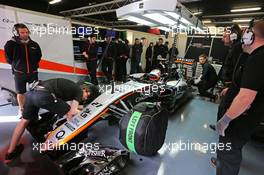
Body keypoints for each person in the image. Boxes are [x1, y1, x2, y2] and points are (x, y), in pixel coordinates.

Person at [213, 19, 264, 175]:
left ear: (251, 35)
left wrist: (225, 120)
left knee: (229, 151)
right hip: (247, 117)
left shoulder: (258, 58)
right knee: (230, 150)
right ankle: (222, 162)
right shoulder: (256, 56)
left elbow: (245, 98)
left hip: (239, 119)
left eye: (248, 32)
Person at [4, 78, 91, 164]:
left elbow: (72, 106)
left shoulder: (72, 88)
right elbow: (71, 113)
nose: (87, 97)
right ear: (83, 89)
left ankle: (10, 153)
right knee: (70, 117)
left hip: (32, 93)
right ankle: (44, 148)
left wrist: (77, 110)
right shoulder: (79, 92)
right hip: (44, 95)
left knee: (24, 121)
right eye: (87, 94)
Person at [210, 24, 243, 131]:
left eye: (224, 36)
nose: (221, 39)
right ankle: (220, 126)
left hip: (231, 86)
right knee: (222, 107)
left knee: (225, 107)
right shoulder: (232, 48)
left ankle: (223, 130)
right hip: (227, 84)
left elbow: (239, 70)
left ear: (233, 36)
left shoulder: (237, 48)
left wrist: (231, 87)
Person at [4, 23, 42, 115]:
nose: (25, 34)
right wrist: (17, 65)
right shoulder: (10, 44)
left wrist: (33, 66)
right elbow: (9, 59)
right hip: (19, 73)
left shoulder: (34, 44)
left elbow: (39, 56)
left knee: (35, 92)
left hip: (33, 73)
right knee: (20, 92)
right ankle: (21, 109)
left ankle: (34, 109)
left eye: (26, 32)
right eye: (22, 32)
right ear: (17, 33)